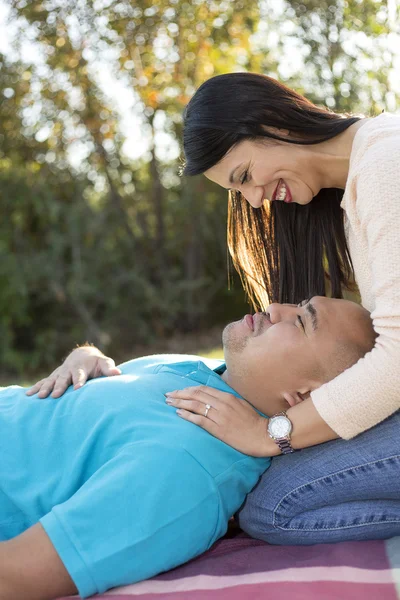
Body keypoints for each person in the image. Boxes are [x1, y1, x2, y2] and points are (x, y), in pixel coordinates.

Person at [1, 298, 374, 599]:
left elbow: (15, 575)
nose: (276, 308)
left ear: (304, 396)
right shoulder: (210, 374)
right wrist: (87, 356)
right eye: (298, 304)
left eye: (301, 322)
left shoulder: (188, 473)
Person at [167, 71, 400, 544]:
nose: (253, 200)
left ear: (275, 122)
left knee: (277, 504)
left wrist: (271, 432)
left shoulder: (385, 164)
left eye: (245, 176)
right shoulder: (358, 185)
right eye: (239, 192)